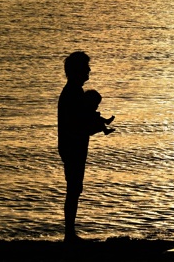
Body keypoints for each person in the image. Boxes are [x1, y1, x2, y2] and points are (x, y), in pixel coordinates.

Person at [57, 50, 101, 243]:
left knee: (75, 188)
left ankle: (70, 233)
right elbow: (76, 124)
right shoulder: (72, 93)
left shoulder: (73, 92)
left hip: (73, 145)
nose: (89, 70)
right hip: (72, 146)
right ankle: (69, 235)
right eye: (85, 67)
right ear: (77, 70)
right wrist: (96, 128)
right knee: (74, 189)